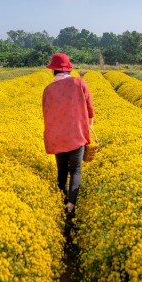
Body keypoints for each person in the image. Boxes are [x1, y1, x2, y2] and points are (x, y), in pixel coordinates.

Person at [42, 53, 94, 235]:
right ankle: (71, 205)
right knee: (76, 171)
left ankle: (61, 207)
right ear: (69, 69)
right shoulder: (79, 83)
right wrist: (86, 125)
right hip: (76, 135)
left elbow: (46, 116)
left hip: (57, 136)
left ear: (53, 71)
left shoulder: (48, 90)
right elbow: (90, 110)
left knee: (62, 172)